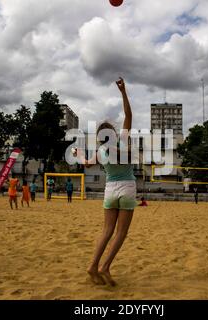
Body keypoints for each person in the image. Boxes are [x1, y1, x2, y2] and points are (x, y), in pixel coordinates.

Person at [75, 77, 136, 287]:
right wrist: (123, 91)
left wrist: (78, 153)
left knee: (106, 231)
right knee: (121, 232)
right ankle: (105, 267)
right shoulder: (122, 142)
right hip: (126, 187)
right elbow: (129, 114)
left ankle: (93, 265)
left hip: (109, 190)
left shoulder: (101, 151)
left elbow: (86, 164)